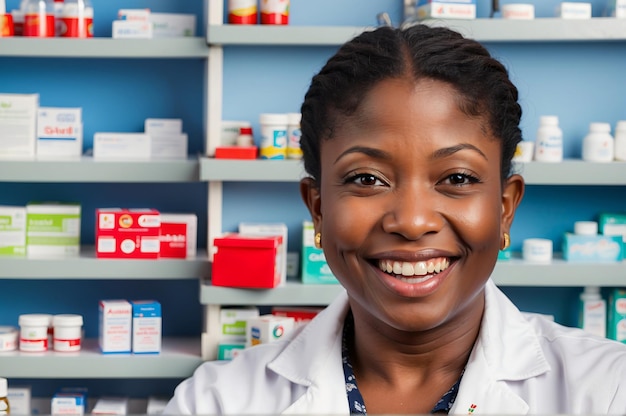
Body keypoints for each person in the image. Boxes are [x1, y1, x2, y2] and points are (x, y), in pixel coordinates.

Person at [163, 24, 626, 415]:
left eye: (458, 177)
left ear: (505, 207)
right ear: (318, 207)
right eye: (366, 179)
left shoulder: (607, 391)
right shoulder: (217, 401)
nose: (412, 220)